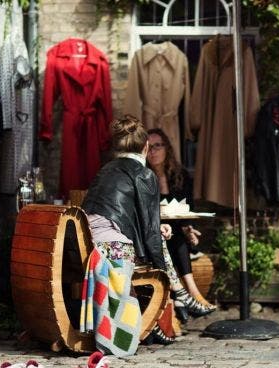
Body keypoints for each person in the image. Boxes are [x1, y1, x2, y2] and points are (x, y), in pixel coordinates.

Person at [80, 116, 206, 352]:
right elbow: (148, 233)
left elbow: (127, 218)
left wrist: (156, 232)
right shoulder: (144, 174)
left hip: (86, 243)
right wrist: (164, 276)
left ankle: (169, 306)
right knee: (158, 244)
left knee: (158, 237)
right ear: (146, 147)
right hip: (112, 250)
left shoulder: (105, 170)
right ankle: (178, 295)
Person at [146, 128, 216, 323]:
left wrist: (190, 229)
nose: (153, 151)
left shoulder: (180, 175)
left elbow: (187, 210)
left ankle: (182, 299)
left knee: (179, 236)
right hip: (153, 232)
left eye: (157, 146)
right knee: (176, 238)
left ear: (167, 148)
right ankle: (191, 296)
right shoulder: (144, 177)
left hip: (177, 231)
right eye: (149, 147)